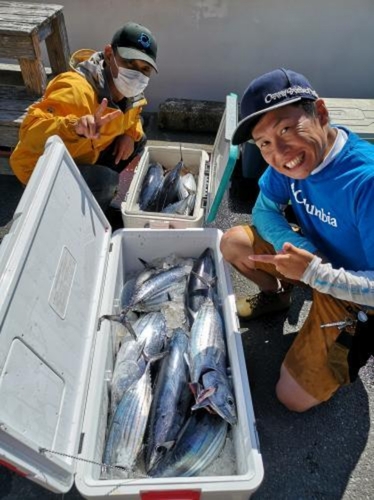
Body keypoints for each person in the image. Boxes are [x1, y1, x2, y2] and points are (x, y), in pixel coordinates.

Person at [220, 68, 374, 412]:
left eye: (287, 129)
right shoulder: (282, 164)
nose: (280, 153)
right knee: (233, 242)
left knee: (292, 398)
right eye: (264, 144)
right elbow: (263, 212)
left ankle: (347, 350)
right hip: (310, 260)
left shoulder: (367, 182)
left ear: (320, 113)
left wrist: (317, 274)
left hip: (356, 296)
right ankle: (278, 295)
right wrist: (304, 251)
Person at [10, 21, 158, 220]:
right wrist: (74, 127)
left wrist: (130, 135)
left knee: (139, 142)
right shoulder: (74, 90)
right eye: (129, 63)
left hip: (86, 154)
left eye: (145, 69)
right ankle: (76, 222)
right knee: (106, 182)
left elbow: (134, 116)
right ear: (108, 54)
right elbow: (29, 132)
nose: (136, 74)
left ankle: (93, 200)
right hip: (41, 169)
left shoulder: (132, 95)